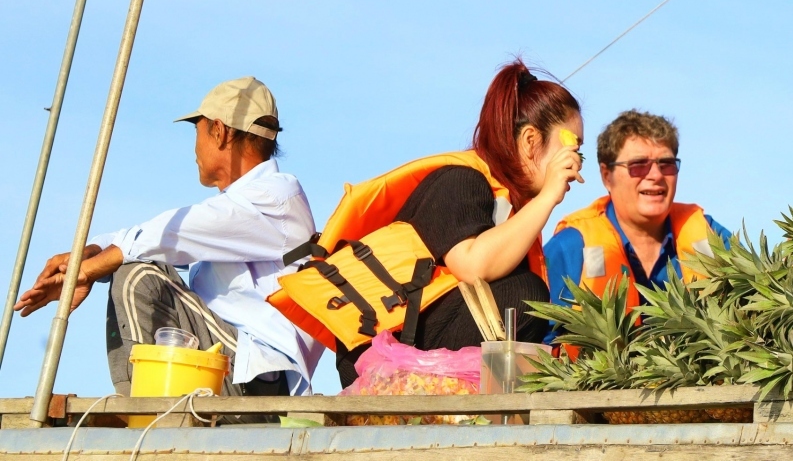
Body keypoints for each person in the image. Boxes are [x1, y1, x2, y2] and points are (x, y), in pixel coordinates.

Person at [268, 60, 584, 388]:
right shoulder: (462, 181)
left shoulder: (513, 212)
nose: (575, 164)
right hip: (380, 356)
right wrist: (548, 197)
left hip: (421, 347)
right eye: (572, 148)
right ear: (531, 140)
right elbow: (472, 264)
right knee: (525, 293)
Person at [15, 77, 322, 397]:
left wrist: (89, 268)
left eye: (197, 130)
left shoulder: (274, 196)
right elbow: (162, 236)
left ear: (219, 131)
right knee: (137, 260)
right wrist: (89, 254)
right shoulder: (254, 202)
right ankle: (153, 403)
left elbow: (172, 232)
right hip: (241, 365)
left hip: (257, 377)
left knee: (136, 276)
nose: (195, 148)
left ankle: (136, 409)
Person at [544, 110, 731, 314]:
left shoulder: (712, 237)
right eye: (638, 165)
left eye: (666, 164)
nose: (656, 175)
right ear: (607, 176)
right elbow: (537, 340)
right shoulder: (570, 247)